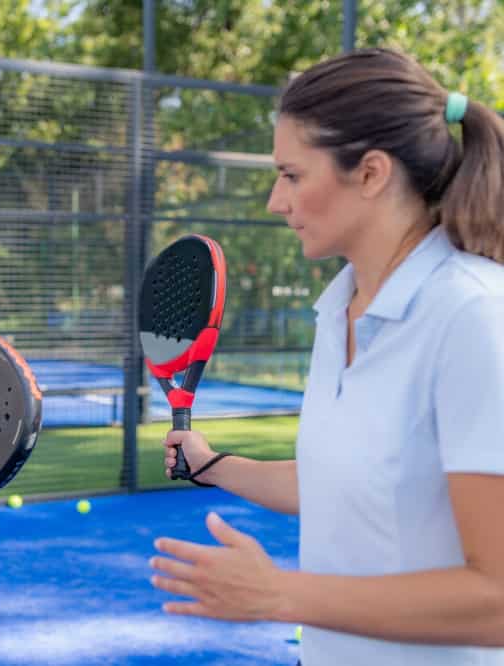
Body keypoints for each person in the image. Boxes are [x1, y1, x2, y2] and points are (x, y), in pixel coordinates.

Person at [148, 48, 504, 665]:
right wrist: (213, 464)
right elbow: (351, 484)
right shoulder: (338, 310)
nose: (274, 201)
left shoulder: (473, 317)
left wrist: (282, 594)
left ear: (370, 174)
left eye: (291, 175)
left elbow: (497, 599)